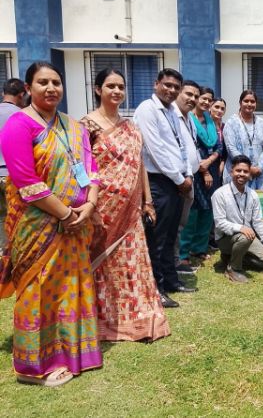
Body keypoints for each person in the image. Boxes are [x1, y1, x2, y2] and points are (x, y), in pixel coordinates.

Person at [0, 61, 102, 386]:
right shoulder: (18, 125)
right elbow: (26, 182)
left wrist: (89, 205)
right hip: (37, 226)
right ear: (28, 88)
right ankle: (33, 367)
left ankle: (71, 352)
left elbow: (91, 168)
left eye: (56, 82)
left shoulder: (74, 127)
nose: (51, 88)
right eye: (42, 82)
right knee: (37, 289)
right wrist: (66, 214)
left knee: (70, 287)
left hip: (76, 222)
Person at [81, 68, 171, 340]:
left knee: (131, 262)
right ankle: (101, 318)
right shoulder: (87, 126)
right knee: (102, 264)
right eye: (111, 86)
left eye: (121, 86)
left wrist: (148, 201)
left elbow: (139, 164)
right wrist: (88, 205)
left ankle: (136, 316)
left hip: (131, 211)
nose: (117, 91)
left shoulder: (131, 127)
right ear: (98, 89)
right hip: (101, 209)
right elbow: (81, 167)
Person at [134, 68, 196, 308]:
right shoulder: (147, 110)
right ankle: (156, 289)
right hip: (159, 182)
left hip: (176, 181)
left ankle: (170, 281)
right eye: (167, 85)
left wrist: (186, 174)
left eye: (175, 87)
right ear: (156, 84)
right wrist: (180, 179)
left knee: (170, 236)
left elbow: (182, 147)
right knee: (157, 239)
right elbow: (155, 149)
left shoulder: (172, 111)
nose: (171, 90)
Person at [212, 154, 263, 283]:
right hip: (225, 238)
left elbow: (258, 222)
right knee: (245, 237)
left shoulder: (253, 195)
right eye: (238, 170)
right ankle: (233, 268)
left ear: (249, 174)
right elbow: (219, 223)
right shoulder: (220, 194)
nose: (241, 174)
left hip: (246, 238)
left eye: (245, 171)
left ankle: (229, 258)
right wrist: (240, 228)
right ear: (231, 172)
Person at [180, 94, 225, 261]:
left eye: (209, 100)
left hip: (212, 169)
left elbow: (219, 146)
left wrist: (210, 162)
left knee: (208, 209)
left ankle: (199, 248)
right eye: (203, 98)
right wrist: (204, 170)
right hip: (195, 170)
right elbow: (190, 146)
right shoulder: (189, 120)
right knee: (192, 211)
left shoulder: (211, 122)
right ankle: (184, 251)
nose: (206, 102)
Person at [173, 80, 202, 273]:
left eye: (195, 96)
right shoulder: (171, 116)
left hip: (189, 178)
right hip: (176, 180)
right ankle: (173, 263)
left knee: (180, 224)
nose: (192, 99)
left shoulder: (189, 118)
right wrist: (181, 177)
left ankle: (176, 260)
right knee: (173, 224)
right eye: (188, 94)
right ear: (179, 93)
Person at [223, 90, 263, 189]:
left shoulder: (262, 123)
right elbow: (231, 148)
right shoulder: (231, 123)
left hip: (259, 173)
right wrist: (248, 168)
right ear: (240, 103)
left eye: (252, 101)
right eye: (246, 101)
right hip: (239, 171)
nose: (249, 104)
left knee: (258, 198)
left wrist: (259, 167)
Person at [1, 78, 27, 251]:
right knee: (17, 220)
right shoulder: (22, 116)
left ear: (3, 93)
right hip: (12, 178)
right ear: (22, 95)